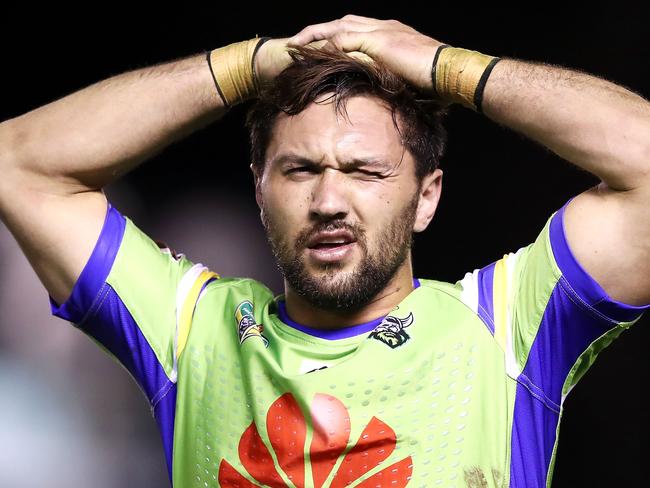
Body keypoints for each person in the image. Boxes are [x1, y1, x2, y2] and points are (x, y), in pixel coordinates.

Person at [0, 13, 649, 488]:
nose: (330, 199)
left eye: (366, 172)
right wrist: (245, 66)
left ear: (427, 197)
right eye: (300, 170)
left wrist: (444, 65)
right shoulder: (193, 333)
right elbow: (18, 162)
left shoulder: (505, 329)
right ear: (260, 191)